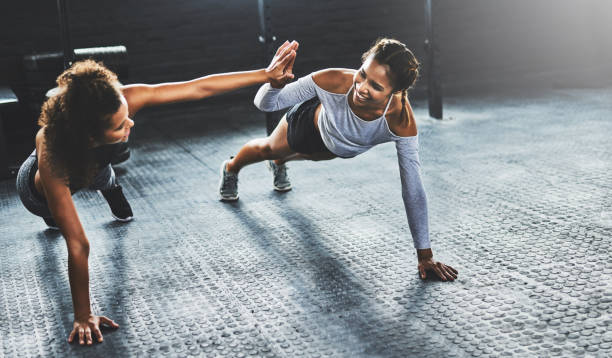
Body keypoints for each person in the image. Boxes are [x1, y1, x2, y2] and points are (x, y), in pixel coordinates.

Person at [15, 40, 299, 346]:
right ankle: (61, 209)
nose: (131, 122)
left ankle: (110, 187)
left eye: (127, 116)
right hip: (38, 191)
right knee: (57, 215)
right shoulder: (53, 150)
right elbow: (78, 245)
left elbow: (196, 88)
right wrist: (83, 316)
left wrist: (264, 74)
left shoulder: (117, 102)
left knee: (103, 175)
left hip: (94, 163)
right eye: (120, 125)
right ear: (88, 134)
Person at [219, 38, 458, 282]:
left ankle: (280, 163)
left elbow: (413, 188)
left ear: (395, 92)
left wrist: (425, 255)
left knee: (308, 157)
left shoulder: (400, 122)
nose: (362, 87)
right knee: (269, 149)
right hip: (307, 128)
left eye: (376, 86)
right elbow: (265, 104)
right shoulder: (332, 80)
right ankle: (231, 167)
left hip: (336, 148)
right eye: (363, 74)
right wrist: (273, 83)